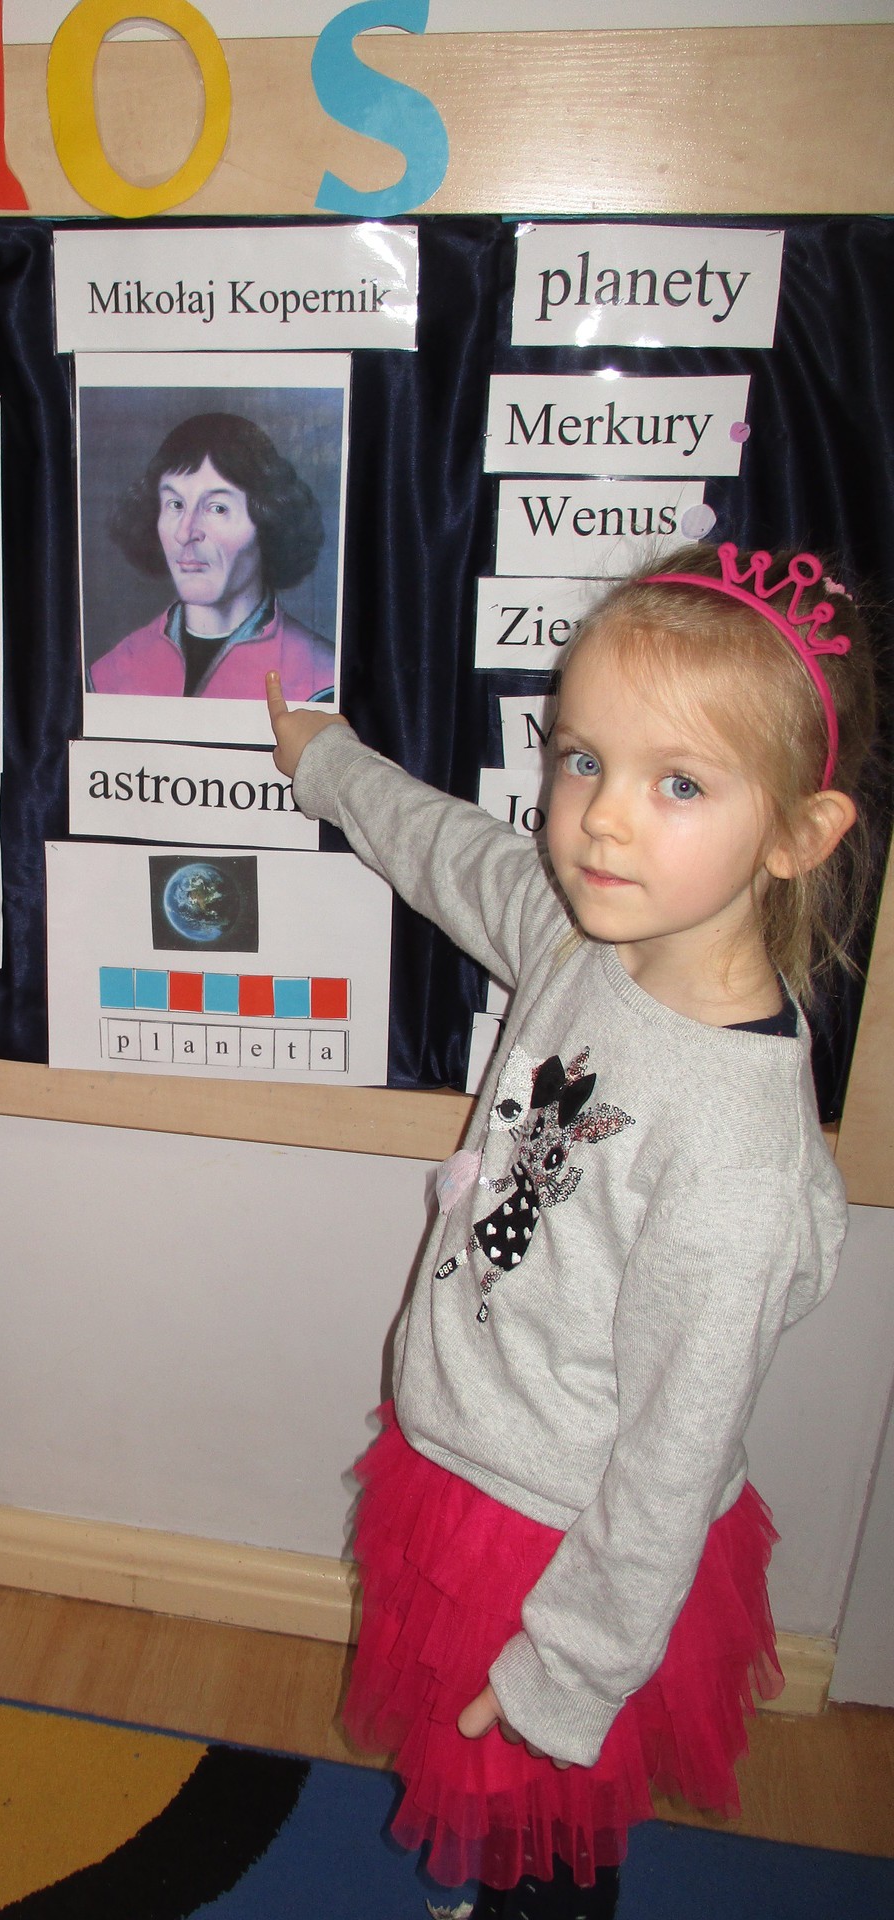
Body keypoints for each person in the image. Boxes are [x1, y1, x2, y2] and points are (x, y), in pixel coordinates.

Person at [266, 541, 879, 1920]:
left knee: (548, 1827)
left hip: (565, 1545)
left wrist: (568, 1674)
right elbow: (455, 856)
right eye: (583, 759)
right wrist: (326, 763)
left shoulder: (734, 1151)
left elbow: (674, 1453)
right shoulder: (586, 939)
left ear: (799, 834)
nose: (601, 819)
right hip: (466, 1463)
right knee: (494, 1812)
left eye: (680, 784)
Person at [90, 411, 336, 701]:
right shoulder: (110, 675)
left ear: (267, 521)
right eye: (175, 504)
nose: (185, 532)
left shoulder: (321, 680)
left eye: (217, 508)